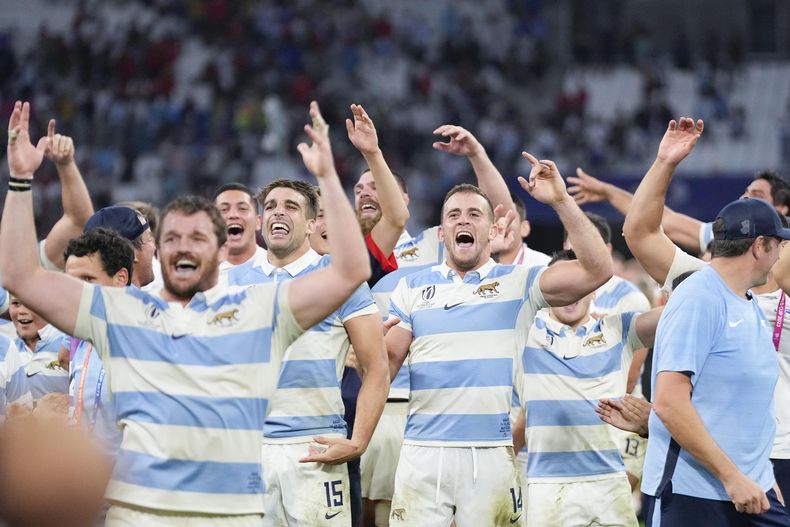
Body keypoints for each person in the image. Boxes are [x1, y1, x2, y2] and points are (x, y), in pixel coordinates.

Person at [0, 100, 371, 526]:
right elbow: (19, 275)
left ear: (221, 251)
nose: (184, 245)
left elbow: (351, 270)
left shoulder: (257, 310)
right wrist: (20, 180)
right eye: (173, 235)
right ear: (157, 250)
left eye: (198, 236)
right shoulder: (121, 313)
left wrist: (326, 176)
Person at [384, 151, 613, 526]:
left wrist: (561, 201)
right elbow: (385, 364)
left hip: (491, 452)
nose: (464, 220)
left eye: (475, 214)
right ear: (441, 234)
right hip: (422, 451)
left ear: (493, 231)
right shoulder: (411, 287)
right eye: (454, 215)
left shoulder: (520, 282)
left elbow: (598, 269)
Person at [623, 117, 790, 524]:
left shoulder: (746, 300)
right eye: (780, 242)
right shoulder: (699, 291)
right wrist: (664, 162)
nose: (783, 250)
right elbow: (669, 400)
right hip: (699, 491)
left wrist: (762, 479)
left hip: (752, 479)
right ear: (760, 246)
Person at [227, 177, 389, 527]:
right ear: (259, 221)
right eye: (270, 207)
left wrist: (358, 440)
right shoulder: (229, 283)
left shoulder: (341, 282)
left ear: (313, 223)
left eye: (291, 207)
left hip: (315, 448)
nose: (277, 213)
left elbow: (377, 368)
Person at [515, 249, 662, 527]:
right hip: (547, 487)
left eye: (580, 284)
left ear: (594, 290)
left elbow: (678, 314)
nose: (570, 293)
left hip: (609, 484)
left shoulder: (619, 329)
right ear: (547, 293)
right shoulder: (526, 333)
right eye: (561, 286)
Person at [569, 165, 790, 255]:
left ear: (782, 208)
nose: (745, 197)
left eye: (757, 195)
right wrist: (609, 192)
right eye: (746, 191)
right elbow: (666, 220)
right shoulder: (725, 236)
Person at [63, 228, 135, 459]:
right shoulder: (82, 335)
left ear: (120, 279)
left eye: (87, 280)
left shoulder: (148, 338)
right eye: (70, 281)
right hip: (86, 485)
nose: (75, 291)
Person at [214, 182, 265, 271]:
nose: (233, 215)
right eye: (224, 209)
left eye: (242, 208)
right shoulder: (200, 275)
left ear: (258, 222)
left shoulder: (278, 269)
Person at [494, 192, 551, 268]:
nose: (500, 224)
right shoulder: (474, 264)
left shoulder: (544, 265)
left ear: (524, 228)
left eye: (507, 217)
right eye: (494, 218)